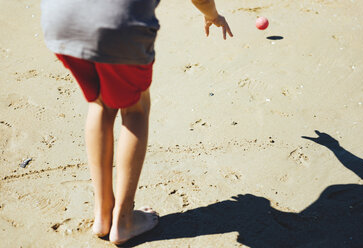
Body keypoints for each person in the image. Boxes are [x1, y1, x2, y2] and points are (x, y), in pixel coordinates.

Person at [41, 0, 233, 245]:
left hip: (60, 18)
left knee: (100, 104)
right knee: (135, 110)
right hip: (119, 22)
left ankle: (102, 215)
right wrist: (212, 15)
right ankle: (123, 220)